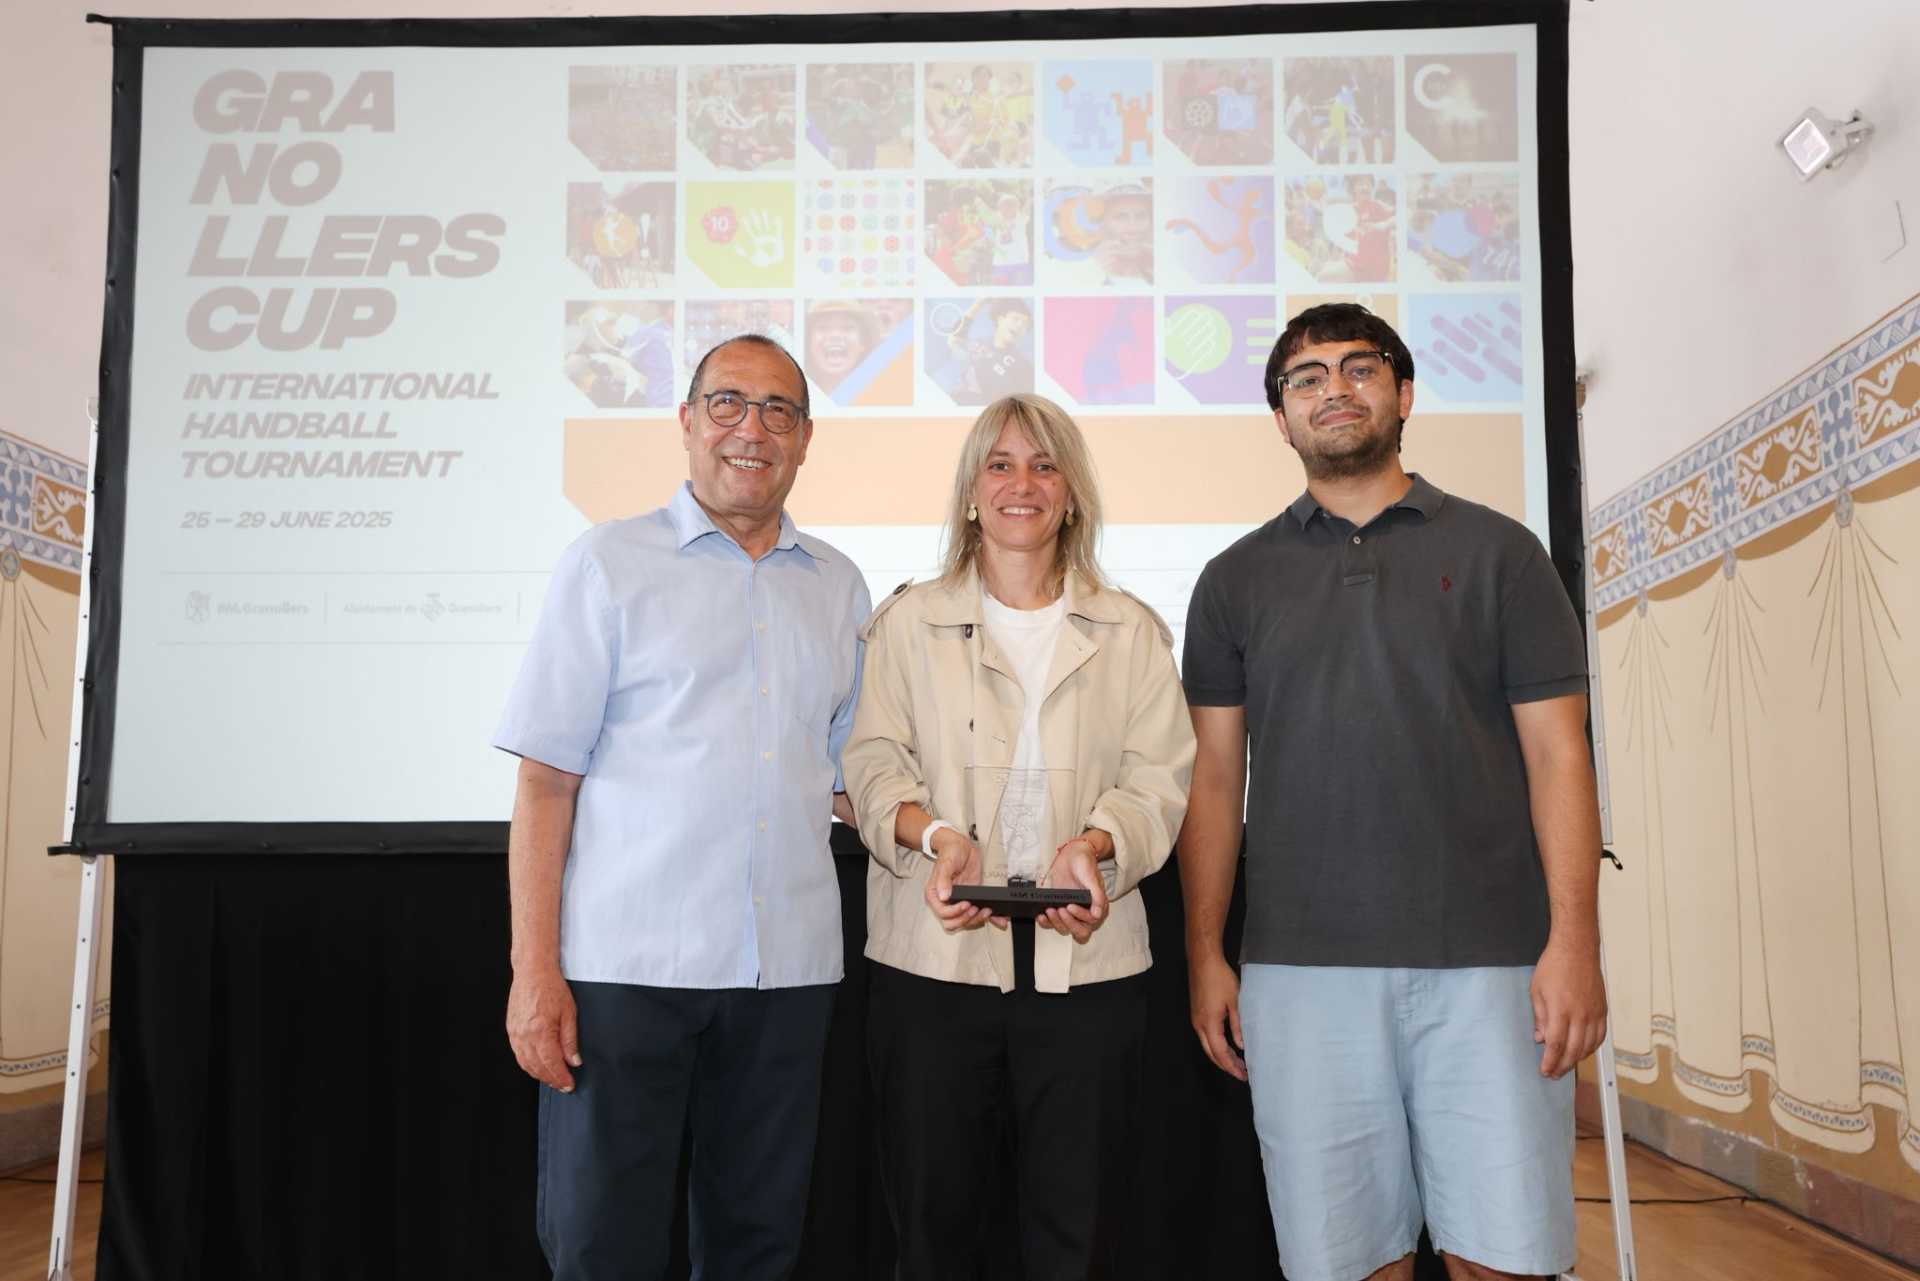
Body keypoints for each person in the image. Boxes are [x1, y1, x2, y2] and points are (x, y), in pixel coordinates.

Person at [1179, 303, 1607, 1281]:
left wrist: (1576, 942)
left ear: (1403, 394)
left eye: (1359, 368)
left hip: (1493, 971)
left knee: (1505, 1258)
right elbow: (1213, 778)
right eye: (1306, 378)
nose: (1334, 389)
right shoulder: (1231, 581)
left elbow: (1560, 758)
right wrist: (1205, 953)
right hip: (1299, 978)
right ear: (1281, 419)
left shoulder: (1505, 554)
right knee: (1345, 1264)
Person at [494, 335, 871, 1281]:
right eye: (728, 403)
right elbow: (545, 782)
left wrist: (966, 818)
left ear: (805, 438)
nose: (753, 429)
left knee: (759, 1248)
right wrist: (534, 970)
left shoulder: (838, 586)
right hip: (625, 975)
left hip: (786, 975)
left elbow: (848, 778)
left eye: (779, 410)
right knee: (602, 1246)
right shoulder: (607, 564)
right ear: (688, 421)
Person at [843, 393, 1196, 1281]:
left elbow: (1160, 779)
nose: (1022, 484)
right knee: (934, 1235)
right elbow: (873, 763)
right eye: (999, 464)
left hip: (1091, 969)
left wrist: (1099, 846)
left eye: (1044, 465)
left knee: (1081, 1236)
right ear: (971, 491)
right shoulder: (905, 624)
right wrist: (936, 838)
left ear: (1072, 494)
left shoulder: (1133, 631)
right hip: (934, 967)